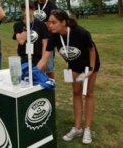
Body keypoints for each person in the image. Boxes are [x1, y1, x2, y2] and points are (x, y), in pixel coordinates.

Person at [36, 9, 100, 144]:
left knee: (88, 93)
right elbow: (45, 58)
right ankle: (77, 128)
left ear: (63, 22)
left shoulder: (80, 32)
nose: (50, 26)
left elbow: (91, 49)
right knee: (76, 92)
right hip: (74, 65)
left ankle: (87, 128)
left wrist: (91, 69)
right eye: (48, 23)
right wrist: (33, 73)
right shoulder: (53, 36)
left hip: (89, 65)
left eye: (54, 22)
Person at [13, 0, 49, 66]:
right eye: (23, 10)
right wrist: (26, 26)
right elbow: (21, 41)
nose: (25, 13)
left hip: (37, 57)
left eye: (28, 10)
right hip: (24, 57)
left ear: (33, 10)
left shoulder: (41, 25)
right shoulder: (18, 25)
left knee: (36, 75)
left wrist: (43, 60)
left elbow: (45, 44)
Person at [33, 0, 58, 79]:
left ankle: (51, 88)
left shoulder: (52, 6)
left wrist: (43, 25)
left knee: (49, 67)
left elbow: (53, 24)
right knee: (37, 64)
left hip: (48, 39)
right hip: (35, 38)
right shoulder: (34, 5)